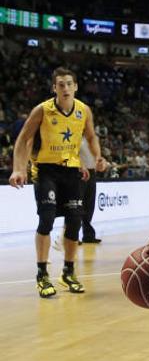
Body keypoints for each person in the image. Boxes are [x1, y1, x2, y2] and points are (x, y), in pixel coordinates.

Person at [9, 67, 107, 297]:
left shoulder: (84, 111)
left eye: (68, 84)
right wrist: (18, 168)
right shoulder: (42, 110)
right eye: (60, 84)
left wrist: (98, 157)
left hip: (71, 170)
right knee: (47, 218)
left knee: (75, 221)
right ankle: (42, 274)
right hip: (45, 170)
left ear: (75, 87)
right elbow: (23, 139)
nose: (64, 88)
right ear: (54, 88)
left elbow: (91, 136)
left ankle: (68, 272)